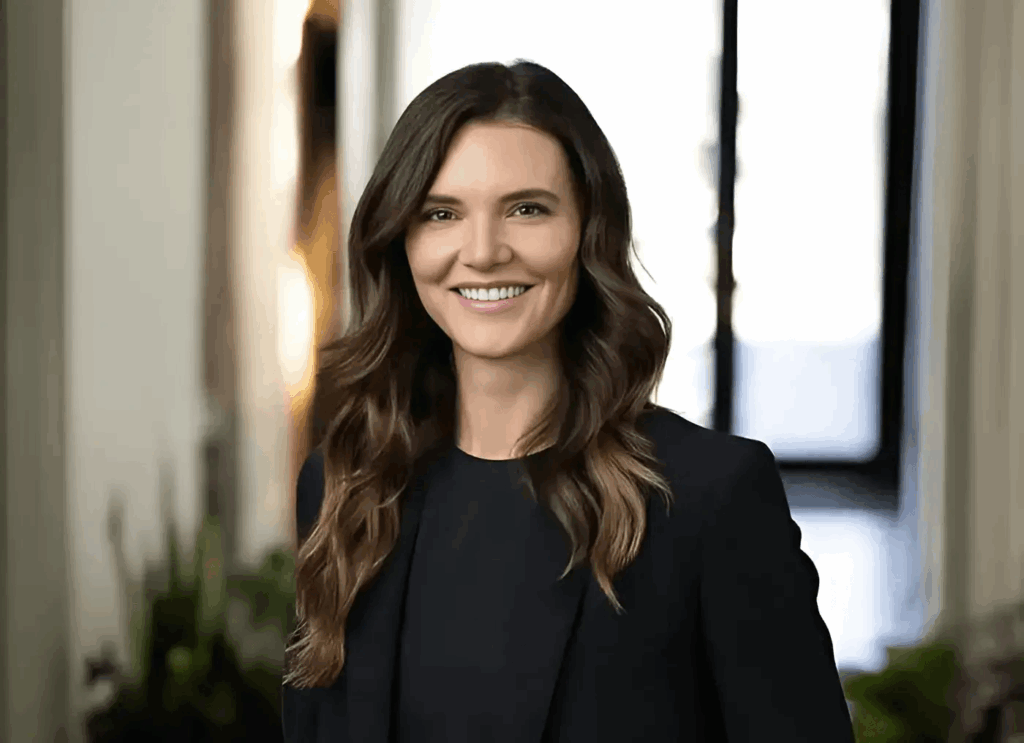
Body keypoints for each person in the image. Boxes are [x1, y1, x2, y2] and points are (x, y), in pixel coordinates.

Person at [281, 59, 855, 743]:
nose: (484, 251)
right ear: (402, 240)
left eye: (527, 209)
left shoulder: (710, 499)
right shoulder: (344, 486)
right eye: (441, 213)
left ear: (588, 231)